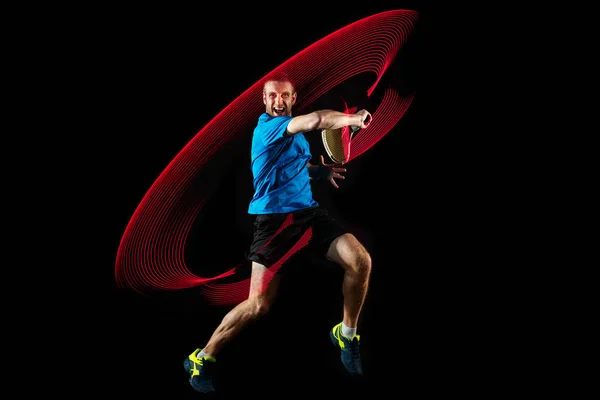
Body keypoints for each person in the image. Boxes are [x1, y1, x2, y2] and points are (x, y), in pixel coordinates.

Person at [183, 72, 373, 393]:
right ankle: (201, 357)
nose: (278, 101)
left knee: (360, 262)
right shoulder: (269, 128)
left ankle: (347, 333)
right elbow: (315, 121)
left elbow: (296, 163)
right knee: (258, 305)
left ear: (292, 98)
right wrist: (352, 119)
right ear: (265, 100)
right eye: (273, 96)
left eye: (285, 96)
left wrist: (320, 171)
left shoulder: (293, 137)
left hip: (308, 215)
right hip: (274, 223)